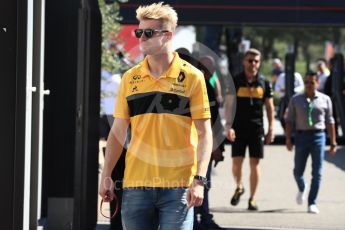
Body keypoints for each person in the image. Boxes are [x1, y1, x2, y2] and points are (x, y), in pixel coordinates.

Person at [99, 2, 213, 230]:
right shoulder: (130, 78)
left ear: (168, 35)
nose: (141, 38)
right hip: (136, 185)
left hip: (179, 186)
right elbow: (118, 131)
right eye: (139, 32)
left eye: (148, 33)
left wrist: (199, 180)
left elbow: (204, 133)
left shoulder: (192, 77)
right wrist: (106, 174)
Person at [224, 48, 275, 211]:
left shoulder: (264, 82)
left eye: (256, 61)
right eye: (250, 60)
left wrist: (271, 128)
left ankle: (252, 199)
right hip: (238, 128)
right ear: (244, 62)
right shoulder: (236, 80)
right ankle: (239, 186)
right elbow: (229, 105)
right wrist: (228, 126)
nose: (253, 63)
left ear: (259, 63)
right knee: (236, 162)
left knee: (255, 163)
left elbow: (269, 107)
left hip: (256, 129)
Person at [285, 71, 337, 214]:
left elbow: (330, 121)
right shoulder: (296, 99)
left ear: (317, 83)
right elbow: (289, 120)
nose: (308, 85)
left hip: (318, 137)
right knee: (297, 171)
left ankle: (312, 202)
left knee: (317, 172)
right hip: (301, 137)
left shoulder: (325, 99)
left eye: (311, 82)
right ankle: (302, 187)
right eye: (306, 82)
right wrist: (288, 139)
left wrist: (333, 142)